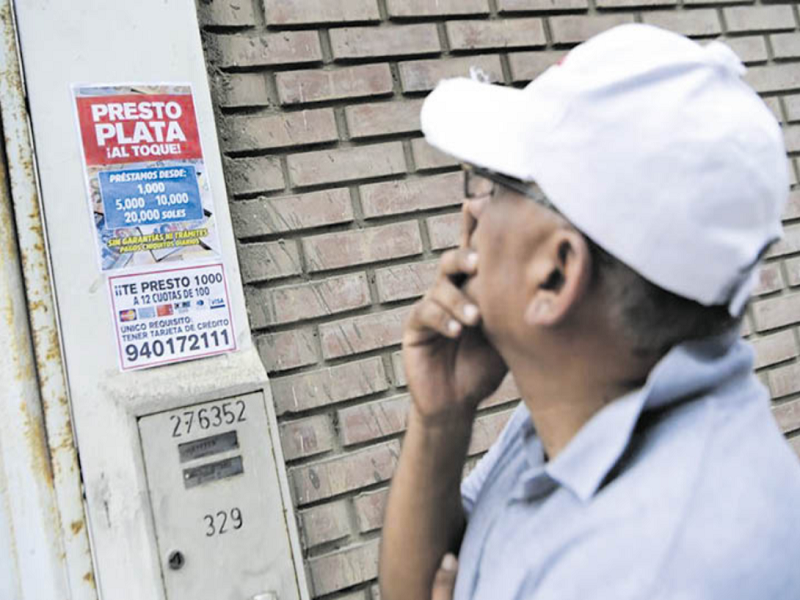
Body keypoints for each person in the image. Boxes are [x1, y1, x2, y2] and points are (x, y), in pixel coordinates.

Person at [379, 24, 800, 600]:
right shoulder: (578, 411)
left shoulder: (663, 570)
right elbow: (422, 584)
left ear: (555, 272)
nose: (470, 211)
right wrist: (441, 417)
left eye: (494, 185)